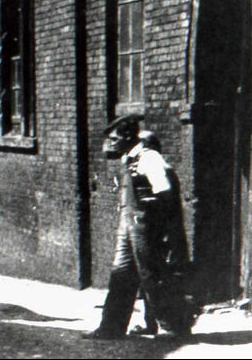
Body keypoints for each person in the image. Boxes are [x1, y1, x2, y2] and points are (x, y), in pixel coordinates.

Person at [83, 115, 196, 340]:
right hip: (129, 227)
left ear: (127, 136)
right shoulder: (130, 158)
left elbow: (165, 192)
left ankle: (173, 327)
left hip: (145, 227)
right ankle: (111, 327)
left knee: (152, 274)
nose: (111, 142)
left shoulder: (149, 158)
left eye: (114, 138)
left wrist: (156, 225)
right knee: (121, 273)